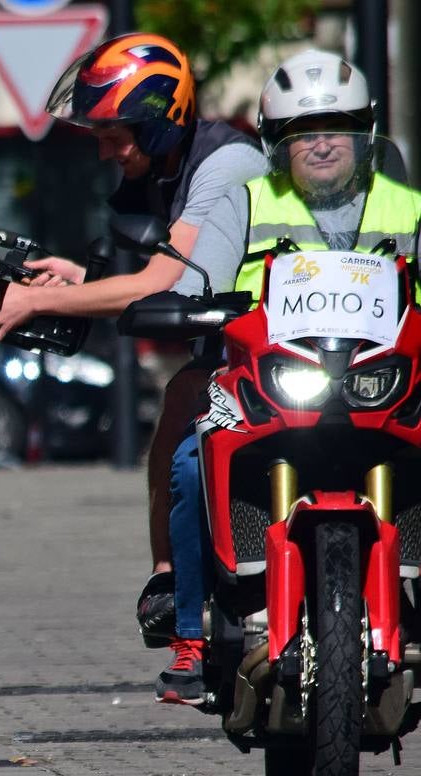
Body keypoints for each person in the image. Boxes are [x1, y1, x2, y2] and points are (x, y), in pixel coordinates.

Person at [0, 32, 267, 639]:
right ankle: (171, 586)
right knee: (177, 413)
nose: (105, 152)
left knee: (184, 442)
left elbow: (167, 278)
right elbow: (167, 274)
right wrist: (70, 280)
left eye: (114, 137)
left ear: (159, 123)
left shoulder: (227, 163)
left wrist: (31, 300)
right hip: (233, 355)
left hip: (279, 358)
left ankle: (185, 611)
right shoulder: (173, 167)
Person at [155, 48, 421, 703]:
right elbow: (194, 283)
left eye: (338, 127)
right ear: (275, 143)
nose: (323, 143)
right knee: (190, 461)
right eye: (303, 132)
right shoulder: (244, 203)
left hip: (383, 385)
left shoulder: (407, 206)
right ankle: (192, 633)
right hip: (265, 385)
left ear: (366, 135)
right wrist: (180, 303)